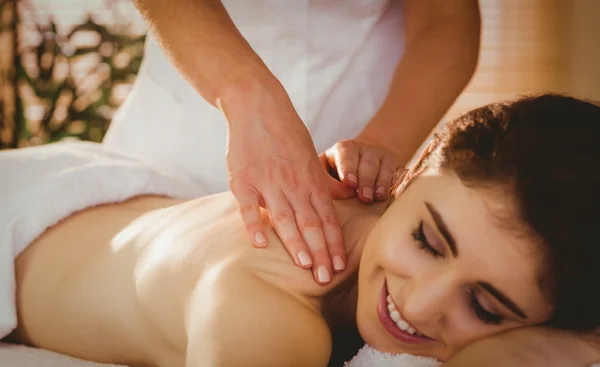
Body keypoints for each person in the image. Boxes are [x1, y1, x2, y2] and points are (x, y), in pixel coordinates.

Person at [8, 94, 600, 366]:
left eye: (486, 308)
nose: (417, 305)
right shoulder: (263, 317)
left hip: (116, 198)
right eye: (426, 240)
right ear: (409, 174)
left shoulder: (372, 215)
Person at [102, 0, 482, 283]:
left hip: (357, 153)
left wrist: (386, 144)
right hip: (177, 125)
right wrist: (249, 101)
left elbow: (448, 18)